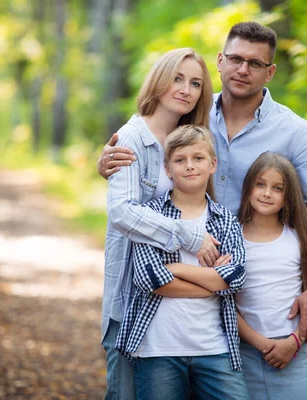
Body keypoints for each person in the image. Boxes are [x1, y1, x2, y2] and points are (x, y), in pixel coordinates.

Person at [98, 21, 307, 344]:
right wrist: (111, 163)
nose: (243, 69)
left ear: (269, 72)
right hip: (179, 300)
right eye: (236, 59)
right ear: (220, 61)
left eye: (255, 63)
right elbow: (150, 150)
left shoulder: (294, 132)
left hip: (260, 300)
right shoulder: (191, 115)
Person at [102, 48, 220, 400]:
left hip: (184, 308)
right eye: (178, 78)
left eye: (196, 83)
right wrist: (188, 236)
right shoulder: (131, 139)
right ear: (159, 79)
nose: (186, 89)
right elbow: (121, 211)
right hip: (134, 297)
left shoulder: (190, 140)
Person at [116, 125, 249, 400]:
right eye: (180, 160)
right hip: (158, 349)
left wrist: (174, 269)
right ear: (168, 169)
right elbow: (149, 280)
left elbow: (234, 277)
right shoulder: (150, 216)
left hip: (215, 347)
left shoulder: (224, 219)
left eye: (198, 158)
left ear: (212, 165)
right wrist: (213, 282)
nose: (189, 166)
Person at [236, 152, 307, 399]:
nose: (267, 193)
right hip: (245, 350)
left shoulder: (298, 239)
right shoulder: (232, 237)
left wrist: (295, 342)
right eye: (260, 184)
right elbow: (224, 302)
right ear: (248, 187)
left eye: (277, 188)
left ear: (288, 197)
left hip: (295, 350)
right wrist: (260, 343)